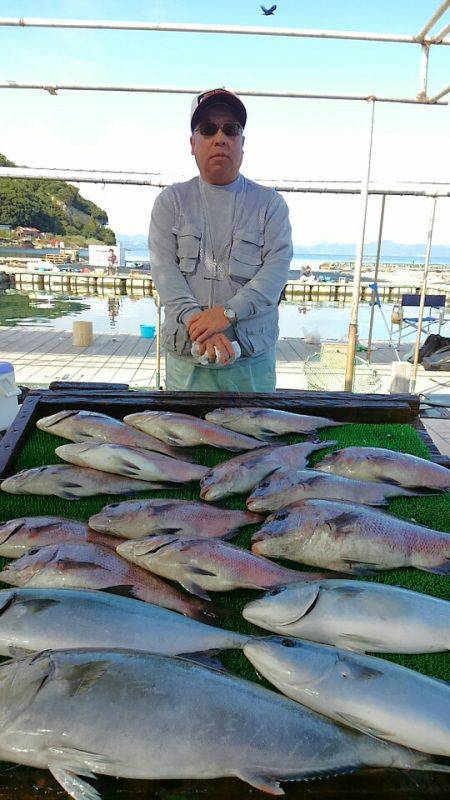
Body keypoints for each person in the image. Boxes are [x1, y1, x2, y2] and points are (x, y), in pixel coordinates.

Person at [149, 88, 293, 392]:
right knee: (183, 436)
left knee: (257, 439)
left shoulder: (270, 204)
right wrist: (201, 325)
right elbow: (165, 275)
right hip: (186, 362)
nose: (220, 137)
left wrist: (226, 313)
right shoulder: (169, 202)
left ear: (242, 143)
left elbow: (275, 273)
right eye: (208, 129)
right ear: (192, 143)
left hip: (251, 365)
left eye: (231, 129)